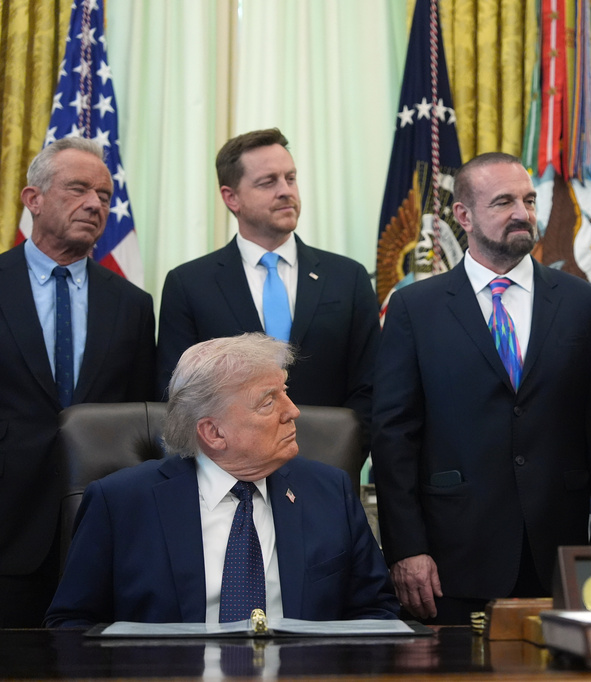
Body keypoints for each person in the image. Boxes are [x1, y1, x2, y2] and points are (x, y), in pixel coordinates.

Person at [372, 152, 591, 624]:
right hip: (454, 561)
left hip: (561, 557)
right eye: (503, 202)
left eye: (529, 200)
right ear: (463, 216)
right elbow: (394, 440)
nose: (522, 213)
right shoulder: (416, 309)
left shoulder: (582, 304)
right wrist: (407, 549)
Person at [46, 333, 398, 627]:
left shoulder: (330, 491)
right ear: (213, 432)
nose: (293, 411)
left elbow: (375, 612)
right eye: (268, 402)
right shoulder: (120, 502)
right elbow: (73, 625)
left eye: (285, 392)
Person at [0, 138, 156, 627]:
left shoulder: (132, 304)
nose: (95, 204)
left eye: (105, 196)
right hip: (7, 526)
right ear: (33, 199)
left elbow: (143, 419)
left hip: (103, 531)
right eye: (78, 189)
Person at [157, 128, 378, 434]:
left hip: (329, 462)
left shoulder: (348, 277)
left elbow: (370, 384)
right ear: (231, 197)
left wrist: (345, 450)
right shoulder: (189, 284)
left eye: (291, 178)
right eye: (268, 182)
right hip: (228, 467)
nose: (286, 190)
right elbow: (179, 393)